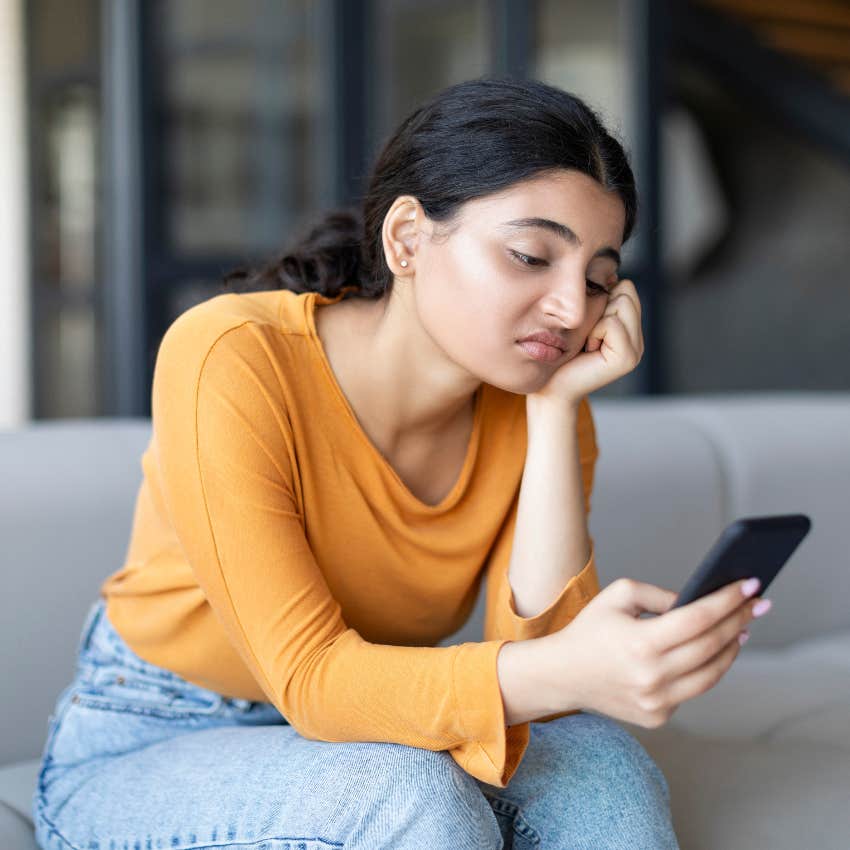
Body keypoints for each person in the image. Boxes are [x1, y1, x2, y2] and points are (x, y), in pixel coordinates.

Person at [33, 75, 764, 850]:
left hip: (375, 720)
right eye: (529, 256)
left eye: (597, 281)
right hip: (158, 735)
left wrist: (552, 411)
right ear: (408, 238)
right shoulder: (231, 356)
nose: (571, 309)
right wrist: (571, 668)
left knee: (603, 771)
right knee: (407, 795)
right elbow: (313, 680)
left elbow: (547, 687)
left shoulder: (544, 402)